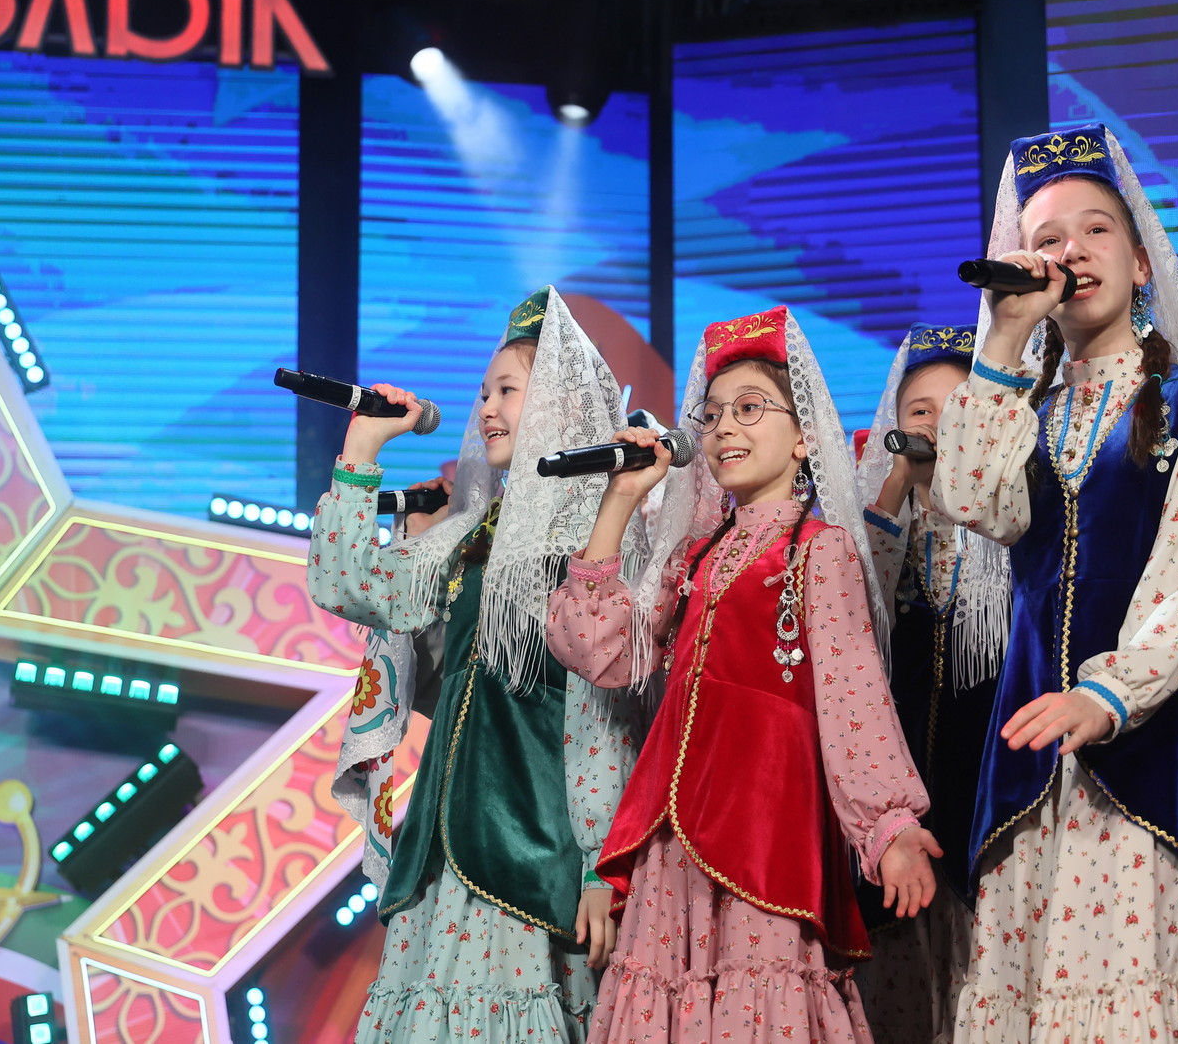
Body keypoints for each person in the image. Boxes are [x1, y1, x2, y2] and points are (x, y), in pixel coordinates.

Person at [933, 122, 1178, 1041]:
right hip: (1033, 766)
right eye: (1047, 239)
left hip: (1146, 756)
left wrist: (1107, 692)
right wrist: (1006, 335)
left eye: (1095, 230)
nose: (1072, 251)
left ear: (1141, 261)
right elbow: (969, 498)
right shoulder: (1027, 409)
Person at [547, 304, 940, 1042]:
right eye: (713, 413)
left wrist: (889, 824)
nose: (725, 426)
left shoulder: (818, 549)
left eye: (750, 408)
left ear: (803, 437)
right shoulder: (694, 555)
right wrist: (621, 498)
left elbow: (853, 694)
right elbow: (598, 649)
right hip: (674, 843)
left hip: (764, 831)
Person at [313, 286, 641, 1042]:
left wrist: (601, 866)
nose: (487, 408)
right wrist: (363, 449)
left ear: (560, 404)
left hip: (533, 845)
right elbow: (350, 584)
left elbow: (603, 720)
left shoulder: (595, 543)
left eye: (507, 391)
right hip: (442, 847)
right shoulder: (467, 539)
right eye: (484, 392)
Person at [851, 322, 1010, 1043]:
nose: (937, 424)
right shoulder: (882, 525)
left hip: (988, 783)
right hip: (904, 780)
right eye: (919, 410)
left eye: (957, 406)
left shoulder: (1008, 526)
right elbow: (860, 610)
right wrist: (895, 486)